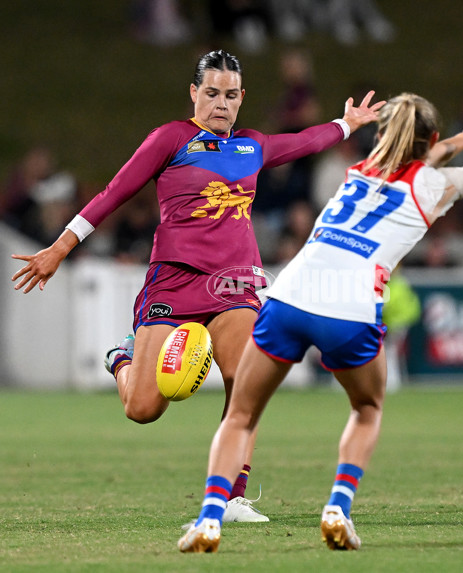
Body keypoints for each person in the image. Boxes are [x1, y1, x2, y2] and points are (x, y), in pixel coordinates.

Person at [177, 72, 463, 553]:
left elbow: (411, 154)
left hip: (290, 295)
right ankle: (337, 507)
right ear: (431, 141)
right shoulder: (433, 188)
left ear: (384, 137)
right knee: (367, 408)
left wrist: (458, 138)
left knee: (241, 416)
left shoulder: (360, 171)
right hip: (350, 306)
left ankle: (209, 518)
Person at [11, 49, 384, 523]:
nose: (221, 104)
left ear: (242, 97)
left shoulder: (252, 145)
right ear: (194, 93)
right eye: (211, 93)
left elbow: (306, 141)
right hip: (174, 282)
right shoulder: (171, 138)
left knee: (248, 380)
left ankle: (233, 496)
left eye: (230, 95)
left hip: (235, 285)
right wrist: (60, 248)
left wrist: (346, 124)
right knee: (143, 408)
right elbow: (113, 193)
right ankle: (122, 358)